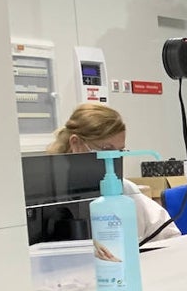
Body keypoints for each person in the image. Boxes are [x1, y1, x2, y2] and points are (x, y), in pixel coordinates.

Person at [47, 103, 180, 242]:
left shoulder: (126, 190)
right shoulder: (49, 190)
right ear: (76, 143)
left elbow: (169, 236)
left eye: (119, 151)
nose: (114, 159)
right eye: (106, 150)